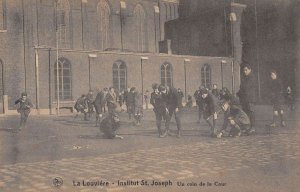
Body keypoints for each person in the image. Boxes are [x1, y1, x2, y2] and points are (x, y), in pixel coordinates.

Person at [237, 64, 256, 134]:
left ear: (250, 70)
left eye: (246, 70)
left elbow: (245, 87)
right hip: (244, 98)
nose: (245, 71)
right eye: (244, 70)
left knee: (251, 112)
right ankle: (247, 127)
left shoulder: (252, 77)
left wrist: (241, 91)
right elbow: (242, 87)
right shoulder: (245, 78)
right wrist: (238, 93)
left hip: (250, 98)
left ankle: (253, 127)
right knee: (245, 113)